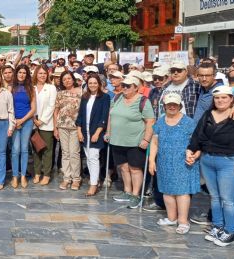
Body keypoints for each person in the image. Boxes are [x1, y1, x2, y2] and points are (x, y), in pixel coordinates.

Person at [187, 85, 234, 246]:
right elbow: (198, 135)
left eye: (224, 97)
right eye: (217, 97)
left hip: (230, 162)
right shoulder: (208, 114)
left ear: (232, 99)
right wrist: (192, 149)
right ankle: (218, 226)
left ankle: (229, 231)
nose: (220, 100)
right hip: (208, 160)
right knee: (215, 197)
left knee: (229, 200)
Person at [148, 93, 199, 234]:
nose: (171, 107)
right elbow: (154, 142)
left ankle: (183, 221)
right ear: (164, 106)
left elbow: (197, 142)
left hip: (183, 162)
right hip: (164, 162)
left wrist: (194, 155)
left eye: (174, 104)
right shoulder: (160, 121)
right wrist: (152, 160)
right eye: (168, 104)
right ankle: (171, 218)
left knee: (182, 192)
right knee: (167, 190)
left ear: (180, 106)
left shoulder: (189, 122)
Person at [106, 75, 155, 208]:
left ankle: (135, 194)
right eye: (123, 85)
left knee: (135, 169)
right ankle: (127, 191)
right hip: (117, 140)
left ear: (136, 88)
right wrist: (108, 132)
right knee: (123, 167)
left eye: (128, 86)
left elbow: (150, 121)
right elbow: (111, 116)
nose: (125, 88)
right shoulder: (117, 98)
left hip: (135, 141)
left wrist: (146, 139)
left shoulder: (143, 101)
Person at [76, 74, 110, 196]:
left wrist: (97, 132)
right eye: (90, 83)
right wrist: (79, 131)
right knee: (88, 158)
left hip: (96, 132)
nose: (92, 85)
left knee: (93, 157)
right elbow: (80, 115)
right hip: (85, 131)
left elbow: (104, 116)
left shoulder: (105, 97)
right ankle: (95, 180)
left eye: (95, 83)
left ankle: (93, 184)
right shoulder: (85, 97)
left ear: (99, 84)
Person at [54, 71, 83, 190]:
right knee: (65, 153)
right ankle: (67, 178)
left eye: (69, 78)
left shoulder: (81, 92)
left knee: (74, 153)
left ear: (73, 79)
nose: (67, 81)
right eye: (64, 79)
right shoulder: (60, 94)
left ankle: (76, 179)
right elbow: (56, 111)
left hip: (76, 127)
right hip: (62, 126)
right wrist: (55, 127)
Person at [10, 65, 36, 189]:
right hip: (14, 122)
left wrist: (22, 120)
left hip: (26, 121)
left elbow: (33, 109)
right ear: (16, 73)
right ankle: (15, 176)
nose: (22, 75)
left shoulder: (31, 88)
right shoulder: (11, 88)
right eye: (20, 72)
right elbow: (8, 107)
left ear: (27, 75)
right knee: (15, 149)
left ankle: (23, 176)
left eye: (24, 73)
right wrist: (15, 121)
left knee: (24, 148)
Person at [31, 65, 56, 186]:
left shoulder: (51, 88)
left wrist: (42, 120)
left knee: (46, 150)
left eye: (44, 73)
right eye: (40, 73)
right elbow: (30, 105)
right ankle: (37, 173)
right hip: (33, 124)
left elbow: (52, 106)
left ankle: (46, 174)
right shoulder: (32, 87)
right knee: (36, 149)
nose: (42, 75)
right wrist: (34, 119)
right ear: (36, 74)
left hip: (46, 124)